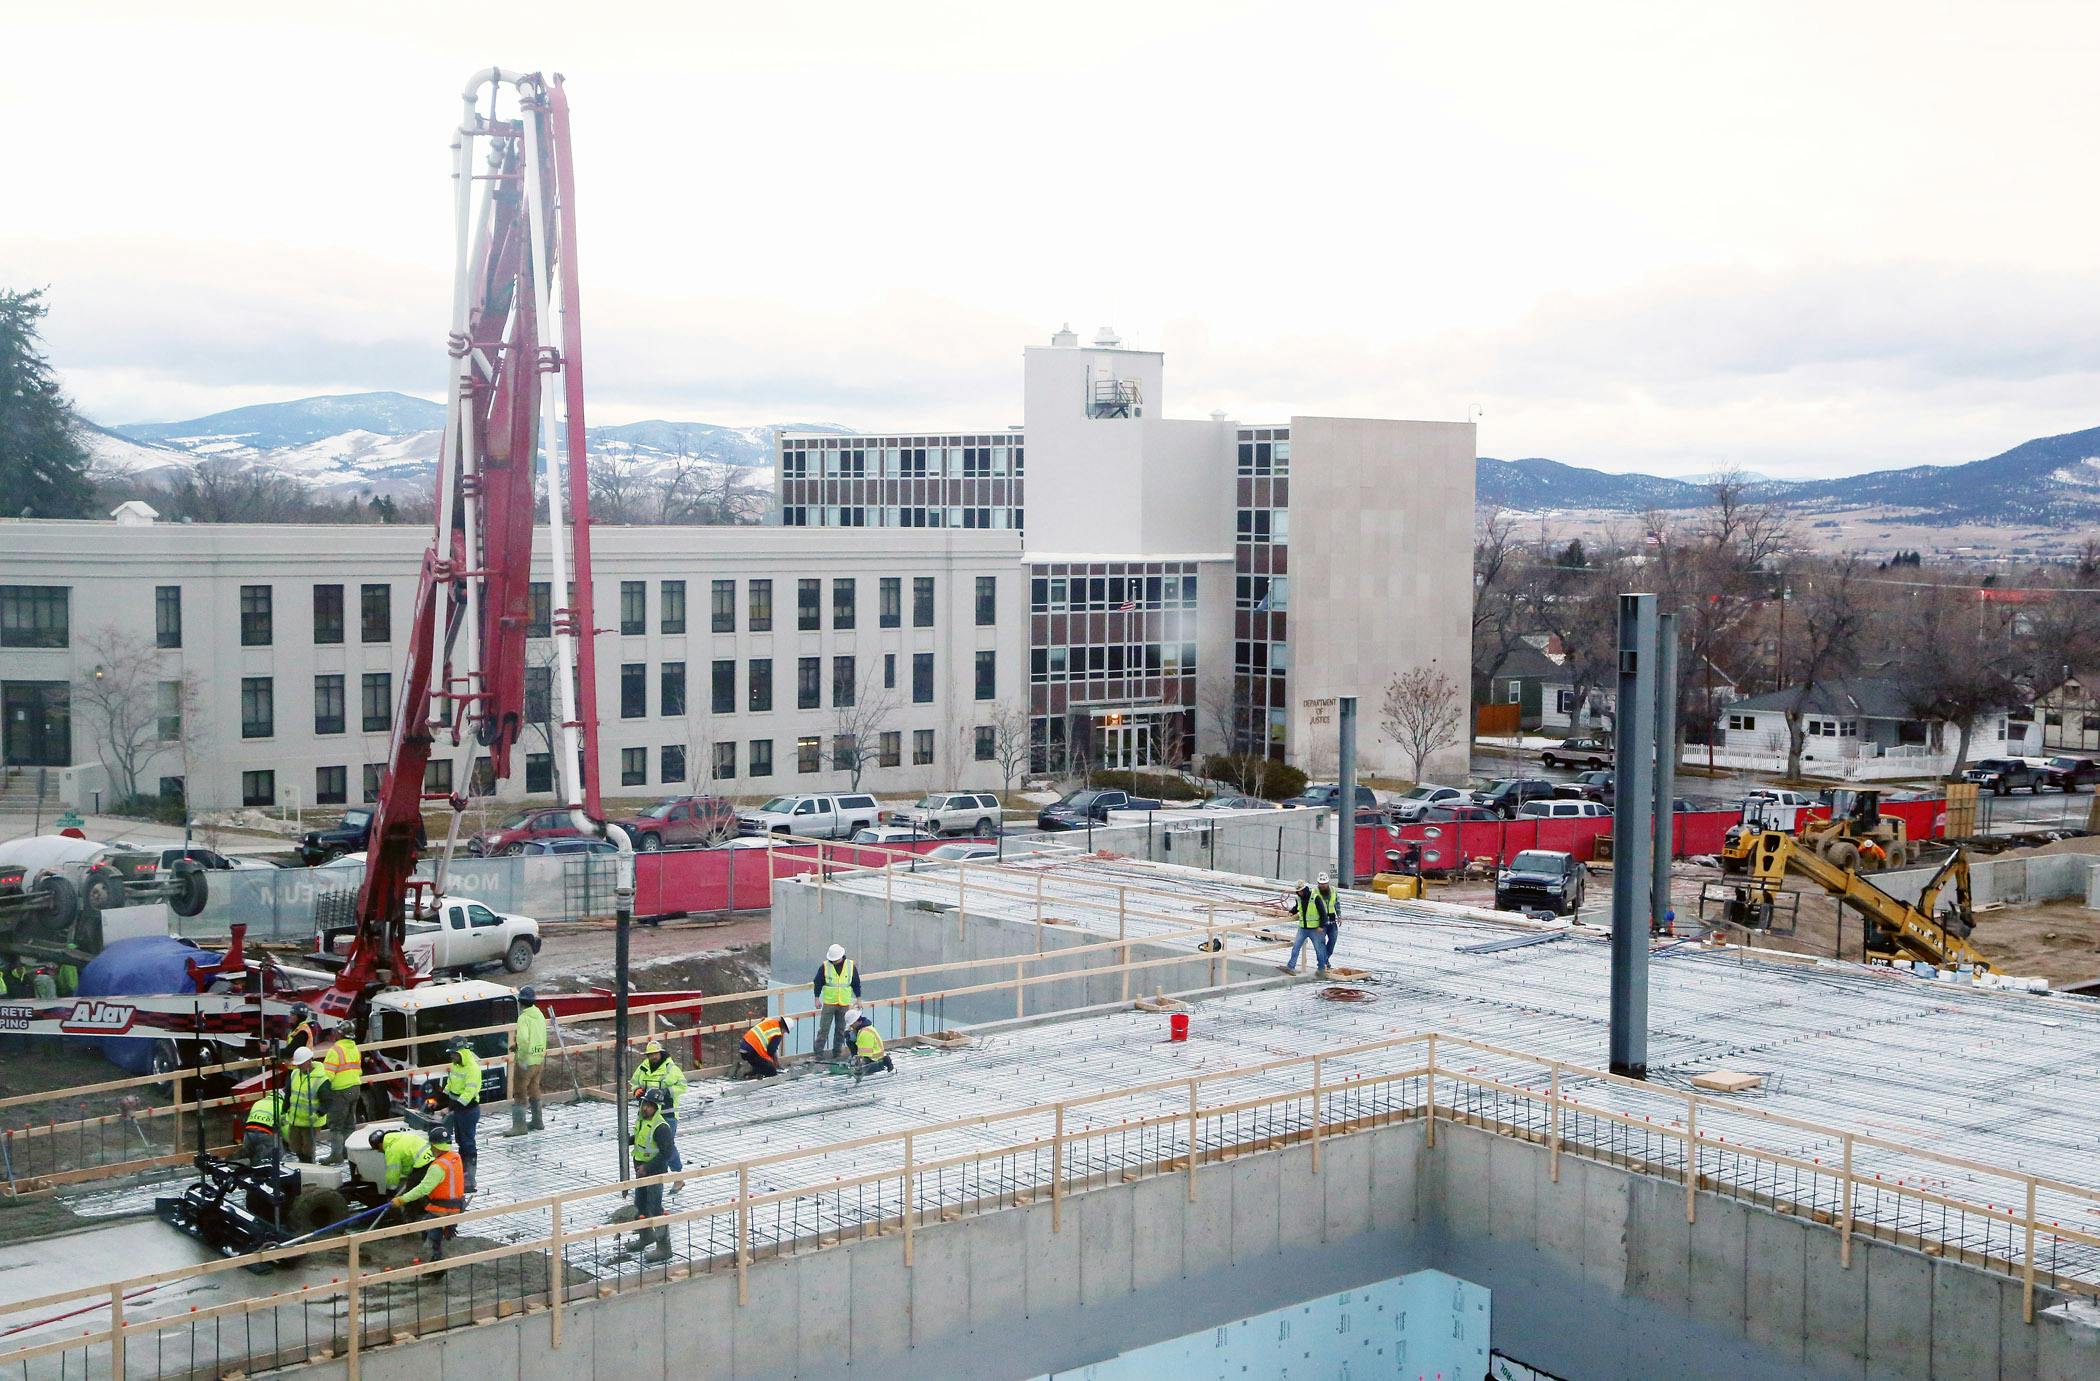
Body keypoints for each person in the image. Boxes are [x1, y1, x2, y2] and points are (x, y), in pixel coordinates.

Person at [390, 1121, 467, 1261]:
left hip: (442, 1209)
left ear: (435, 1147)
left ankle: (436, 1262)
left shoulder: (437, 1166)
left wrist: (402, 1199)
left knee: (429, 1234)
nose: (430, 1149)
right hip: (457, 1205)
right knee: (430, 1228)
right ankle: (439, 1249)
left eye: (431, 1146)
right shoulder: (455, 1158)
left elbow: (422, 1189)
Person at [625, 1085, 676, 1263]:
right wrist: (628, 1140)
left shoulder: (661, 1127)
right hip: (641, 1171)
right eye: (645, 1103)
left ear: (657, 1108)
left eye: (650, 1105)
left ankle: (664, 1247)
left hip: (654, 1173)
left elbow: (666, 1153)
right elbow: (641, 1140)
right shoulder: (642, 1120)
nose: (645, 1107)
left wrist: (647, 1168)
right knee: (640, 1204)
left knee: (655, 1208)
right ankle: (646, 1236)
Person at [630, 1039, 688, 1183]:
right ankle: (647, 1174)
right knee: (644, 1141)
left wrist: (667, 1091)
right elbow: (634, 1083)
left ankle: (677, 1176)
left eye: (655, 1054)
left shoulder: (671, 1068)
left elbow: (683, 1086)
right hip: (647, 1114)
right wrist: (636, 1090)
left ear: (660, 1053)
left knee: (668, 1146)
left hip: (667, 1114)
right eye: (650, 1055)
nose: (653, 1057)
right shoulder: (643, 1068)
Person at [435, 1038, 483, 1191]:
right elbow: (450, 1086)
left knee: (468, 1143)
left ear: (461, 1052)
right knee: (461, 1141)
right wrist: (438, 1101)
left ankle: (470, 1180)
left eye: (454, 1054)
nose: (452, 1057)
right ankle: (462, 1175)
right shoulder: (456, 1065)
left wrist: (449, 1109)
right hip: (459, 1110)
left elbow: (468, 1095)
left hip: (468, 1111)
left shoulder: (472, 1069)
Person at [504, 987, 548, 1137]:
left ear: (520, 1002)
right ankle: (537, 1121)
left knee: (519, 1092)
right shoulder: (539, 1015)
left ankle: (519, 1126)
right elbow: (537, 1036)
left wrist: (521, 1057)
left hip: (526, 1061)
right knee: (534, 1088)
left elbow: (523, 1039)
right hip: (539, 1059)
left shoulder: (523, 1018)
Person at [318, 1022, 362, 1164]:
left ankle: (336, 1155)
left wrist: (322, 1093)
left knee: (336, 1126)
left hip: (340, 1092)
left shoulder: (335, 1051)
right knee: (349, 1124)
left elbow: (327, 1076)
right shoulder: (355, 1048)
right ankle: (348, 1153)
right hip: (355, 1088)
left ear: (340, 1034)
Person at [811, 944, 861, 1058]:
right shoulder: (825, 966)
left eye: (835, 960)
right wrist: (816, 998)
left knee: (840, 1029)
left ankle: (837, 1053)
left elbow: (856, 983)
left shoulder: (850, 966)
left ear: (842, 956)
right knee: (824, 1029)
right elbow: (818, 982)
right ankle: (818, 1054)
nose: (833, 962)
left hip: (844, 1003)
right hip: (829, 1002)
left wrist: (858, 999)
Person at [282, 1047, 328, 1162]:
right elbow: (289, 1094)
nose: (298, 1066)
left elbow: (328, 1101)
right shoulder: (295, 1074)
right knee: (294, 1146)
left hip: (311, 1121)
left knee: (308, 1149)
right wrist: (284, 1111)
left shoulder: (321, 1079)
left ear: (309, 1061)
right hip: (295, 1120)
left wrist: (318, 1114)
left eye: (300, 1064)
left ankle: (309, 1166)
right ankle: (303, 1162)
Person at [1281, 881, 1330, 976]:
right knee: (1296, 947)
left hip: (1315, 929)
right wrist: (1292, 912)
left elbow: (1323, 914)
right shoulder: (1299, 898)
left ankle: (1321, 969)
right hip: (1303, 928)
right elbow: (1297, 907)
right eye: (1298, 891)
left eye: (1301, 891)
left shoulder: (1315, 898)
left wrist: (1321, 926)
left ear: (1305, 889)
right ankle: (1290, 966)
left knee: (1319, 949)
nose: (1300, 893)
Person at [242, 1083, 288, 1168]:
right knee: (277, 1160)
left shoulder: (258, 1102)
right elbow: (286, 1131)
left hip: (248, 1134)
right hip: (266, 1134)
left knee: (253, 1161)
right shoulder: (281, 1106)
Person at [737, 1014, 794, 1080]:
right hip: (752, 1051)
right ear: (785, 1029)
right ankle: (750, 1075)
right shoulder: (778, 1034)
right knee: (771, 1071)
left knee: (761, 1064)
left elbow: (763, 1020)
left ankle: (752, 1073)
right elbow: (771, 1051)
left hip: (743, 1047)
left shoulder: (771, 1021)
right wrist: (774, 1063)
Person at [844, 1008, 894, 1082]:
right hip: (873, 1056)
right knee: (850, 1039)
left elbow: (863, 1056)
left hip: (873, 1059)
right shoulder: (863, 1027)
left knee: (858, 1068)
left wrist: (854, 1063)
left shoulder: (864, 1033)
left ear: (855, 1022)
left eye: (851, 1025)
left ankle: (884, 1062)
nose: (851, 1027)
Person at [1313, 872, 1341, 966]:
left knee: (1332, 941)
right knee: (1320, 943)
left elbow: (1337, 904)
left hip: (1332, 922)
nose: (1322, 886)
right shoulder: (1314, 892)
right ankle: (1323, 963)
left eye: (1324, 884)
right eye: (1320, 884)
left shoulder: (1333, 891)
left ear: (1328, 883)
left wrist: (1339, 916)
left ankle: (1324, 960)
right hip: (1321, 922)